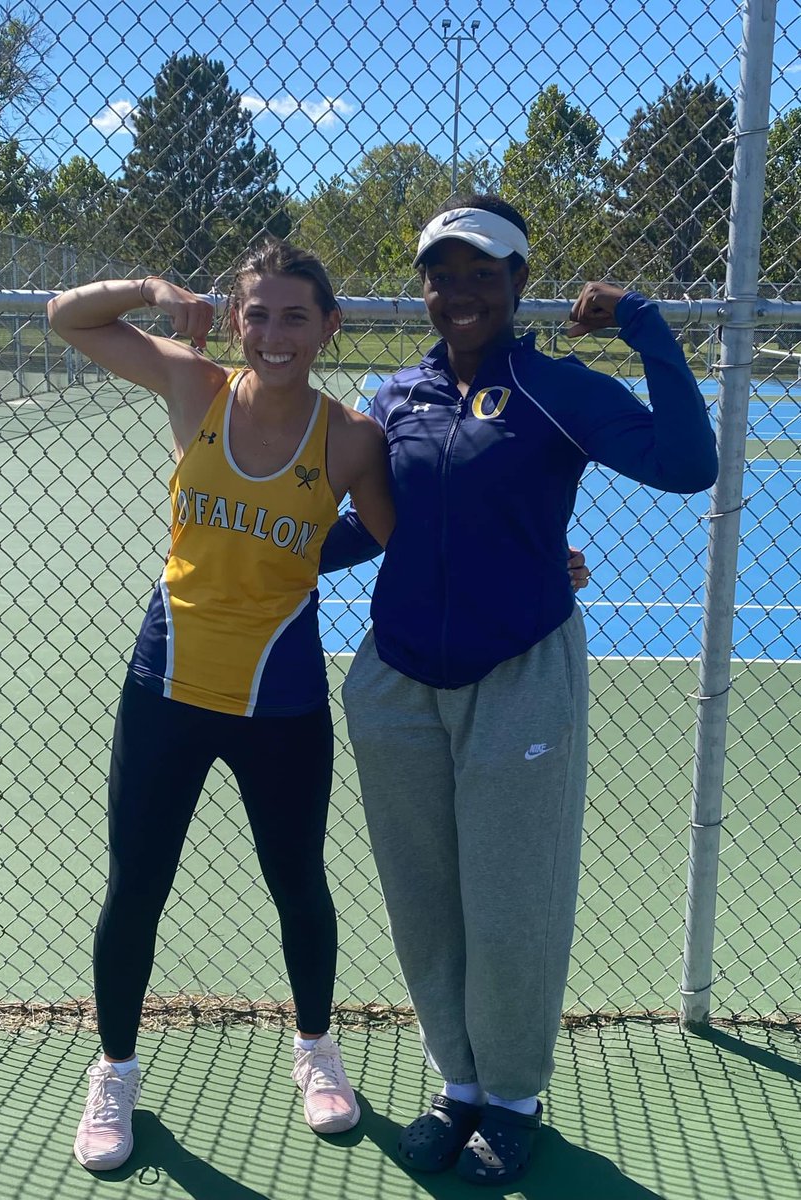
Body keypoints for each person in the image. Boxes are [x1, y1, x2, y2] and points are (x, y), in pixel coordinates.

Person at [319, 194, 718, 1187]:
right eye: (441, 273)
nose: (458, 291)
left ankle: (514, 1098)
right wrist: (260, 562)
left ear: (519, 283)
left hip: (520, 676)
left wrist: (642, 322)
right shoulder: (395, 397)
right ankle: (457, 1085)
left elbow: (688, 463)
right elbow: (374, 527)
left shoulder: (554, 389)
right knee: (424, 902)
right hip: (395, 681)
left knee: (510, 906)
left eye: (481, 272)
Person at [47, 239, 396, 1171]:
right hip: (165, 688)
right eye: (257, 314)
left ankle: (316, 1050)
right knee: (137, 887)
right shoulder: (193, 387)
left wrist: (538, 564)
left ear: (328, 326)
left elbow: (409, 534)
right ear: (234, 319)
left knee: (297, 883)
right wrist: (155, 289)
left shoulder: (353, 438)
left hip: (281, 703)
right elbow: (67, 316)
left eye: (294, 316)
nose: (273, 334)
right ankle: (114, 1071)